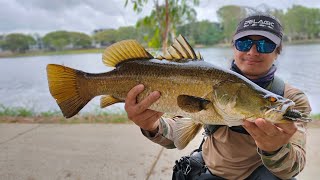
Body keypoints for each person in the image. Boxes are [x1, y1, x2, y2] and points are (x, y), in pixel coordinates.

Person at [124, 13, 312, 179]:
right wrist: (151, 125)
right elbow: (175, 135)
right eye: (244, 43)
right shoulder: (208, 81)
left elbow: (293, 168)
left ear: (277, 52)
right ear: (234, 47)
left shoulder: (291, 100)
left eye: (265, 45)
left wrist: (275, 149)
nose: (252, 51)